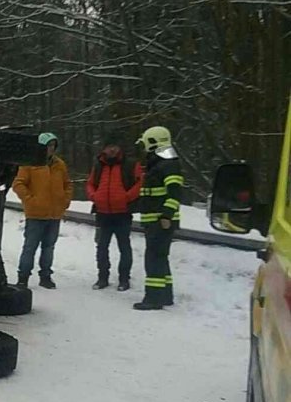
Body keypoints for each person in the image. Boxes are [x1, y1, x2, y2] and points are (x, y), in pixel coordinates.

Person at [13, 132, 73, 289]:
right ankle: (23, 277)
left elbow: (68, 184)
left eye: (53, 146)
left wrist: (65, 201)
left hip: (54, 214)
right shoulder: (30, 163)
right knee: (30, 247)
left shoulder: (60, 164)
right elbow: (18, 184)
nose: (51, 149)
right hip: (35, 214)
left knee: (49, 247)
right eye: (48, 146)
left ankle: (45, 276)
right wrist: (30, 200)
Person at [133, 126, 184, 310]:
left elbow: (175, 193)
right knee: (161, 258)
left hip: (159, 220)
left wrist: (166, 215)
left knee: (153, 259)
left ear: (153, 142)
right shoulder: (161, 163)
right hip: (156, 219)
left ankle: (153, 298)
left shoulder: (167, 164)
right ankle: (165, 295)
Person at [85, 135, 143, 291]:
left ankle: (124, 279)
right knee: (101, 246)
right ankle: (102, 277)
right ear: (104, 148)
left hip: (122, 212)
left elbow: (140, 182)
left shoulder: (130, 164)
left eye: (115, 146)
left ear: (119, 148)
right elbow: (90, 183)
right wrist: (94, 196)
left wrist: (127, 197)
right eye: (109, 146)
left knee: (124, 246)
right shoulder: (98, 165)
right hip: (102, 213)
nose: (112, 149)